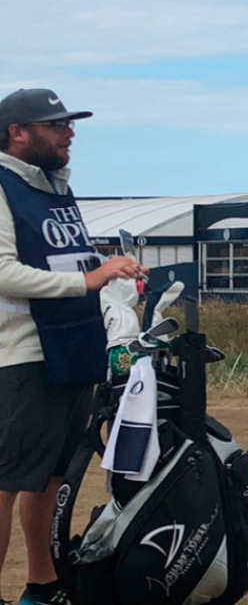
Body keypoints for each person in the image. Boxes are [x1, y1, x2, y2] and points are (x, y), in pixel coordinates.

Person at [1, 89, 146, 605]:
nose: (70, 132)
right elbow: (3, 273)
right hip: (20, 358)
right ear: (18, 132)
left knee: (51, 479)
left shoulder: (55, 188)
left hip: (69, 352)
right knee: (7, 482)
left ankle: (41, 584)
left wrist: (111, 272)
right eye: (56, 123)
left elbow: (65, 261)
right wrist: (91, 282)